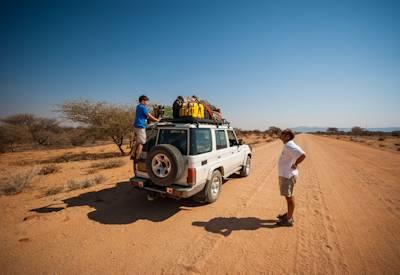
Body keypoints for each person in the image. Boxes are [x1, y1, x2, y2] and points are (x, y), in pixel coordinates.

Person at [276, 129, 306, 227]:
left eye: (282, 134)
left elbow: (303, 155)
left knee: (289, 197)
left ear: (287, 136)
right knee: (288, 196)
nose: (280, 135)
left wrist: (296, 164)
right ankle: (288, 215)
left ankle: (289, 219)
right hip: (286, 174)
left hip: (288, 175)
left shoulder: (289, 145)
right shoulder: (288, 145)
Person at [131, 95, 160, 174]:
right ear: (143, 101)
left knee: (138, 140)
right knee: (142, 142)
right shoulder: (143, 107)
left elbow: (146, 116)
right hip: (140, 126)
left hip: (136, 126)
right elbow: (148, 116)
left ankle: (133, 153)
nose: (147, 102)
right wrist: (157, 120)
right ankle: (137, 158)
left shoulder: (138, 107)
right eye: (146, 101)